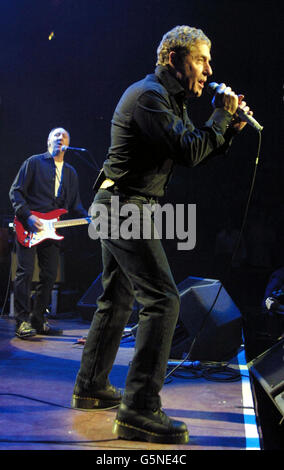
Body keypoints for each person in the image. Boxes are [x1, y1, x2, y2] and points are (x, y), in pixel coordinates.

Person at [72, 25, 253, 444]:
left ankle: (91, 386)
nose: (209, 69)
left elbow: (193, 149)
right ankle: (139, 410)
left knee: (117, 299)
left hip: (125, 204)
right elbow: (189, 150)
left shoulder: (169, 99)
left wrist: (226, 131)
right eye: (201, 59)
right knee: (163, 300)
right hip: (123, 206)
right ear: (175, 59)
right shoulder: (149, 96)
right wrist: (222, 116)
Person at [9, 127, 87, 339]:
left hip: (52, 230)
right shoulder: (34, 162)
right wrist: (28, 216)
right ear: (48, 141)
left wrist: (90, 217)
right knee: (25, 273)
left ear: (68, 144)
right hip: (28, 225)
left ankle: (38, 319)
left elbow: (75, 205)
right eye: (56, 135)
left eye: (64, 136)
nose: (60, 138)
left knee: (50, 275)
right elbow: (15, 191)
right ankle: (22, 322)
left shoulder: (70, 172)